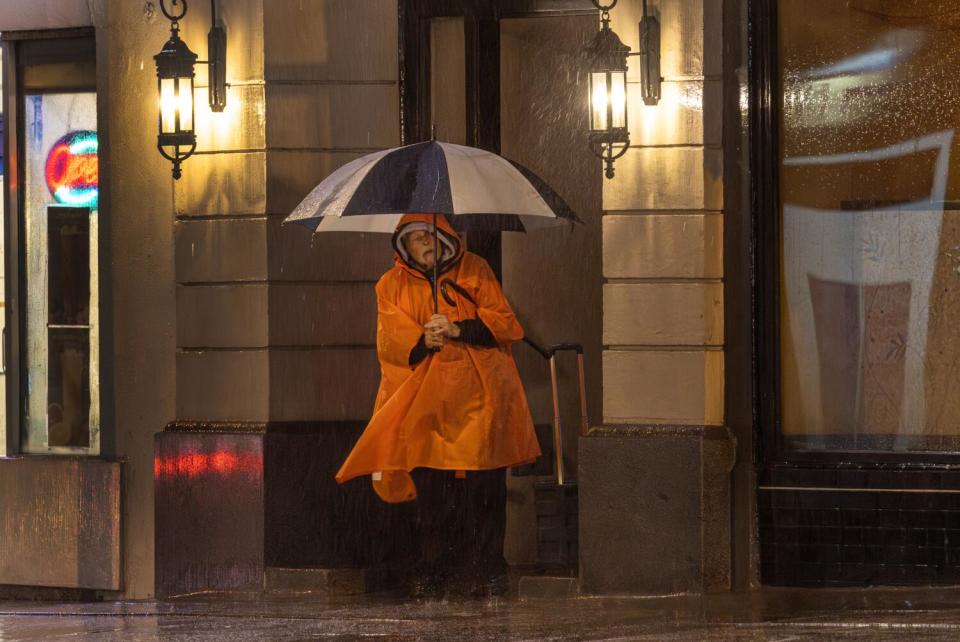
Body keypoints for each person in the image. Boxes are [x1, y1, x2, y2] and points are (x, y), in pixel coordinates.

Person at [336, 212, 540, 597]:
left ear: (445, 235)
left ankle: (488, 569)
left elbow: (505, 324)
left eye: (431, 234)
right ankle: (435, 569)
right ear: (403, 246)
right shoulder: (389, 285)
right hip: (428, 406)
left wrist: (459, 328)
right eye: (416, 238)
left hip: (478, 402)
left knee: (485, 488)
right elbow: (390, 340)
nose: (426, 243)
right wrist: (423, 341)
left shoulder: (475, 269)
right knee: (431, 492)